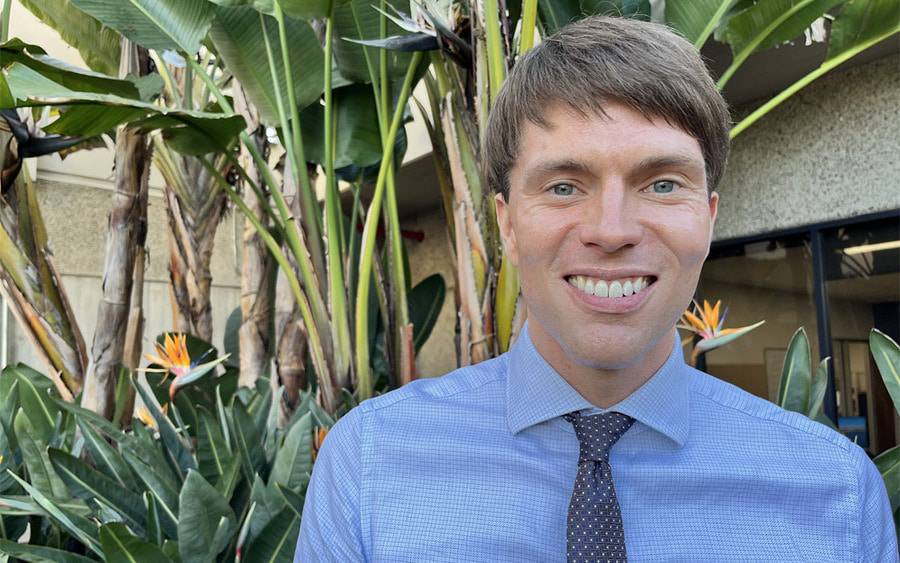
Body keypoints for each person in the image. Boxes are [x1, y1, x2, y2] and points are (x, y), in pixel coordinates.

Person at [294, 15, 897, 562]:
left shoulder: (836, 493)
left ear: (709, 218)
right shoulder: (368, 467)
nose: (612, 231)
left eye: (662, 185)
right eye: (563, 186)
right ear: (505, 222)